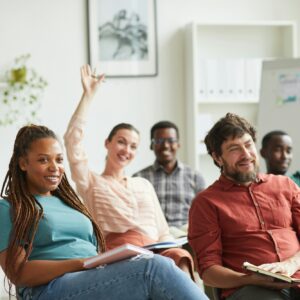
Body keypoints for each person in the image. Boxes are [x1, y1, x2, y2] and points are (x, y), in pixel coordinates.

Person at [0, 123, 208, 300]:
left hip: (91, 276)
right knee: (154, 268)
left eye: (59, 159)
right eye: (44, 160)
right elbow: (18, 273)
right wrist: (79, 264)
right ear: (23, 163)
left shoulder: (70, 203)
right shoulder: (9, 207)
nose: (55, 167)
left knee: (158, 270)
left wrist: (101, 262)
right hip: (50, 288)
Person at [64, 65, 195, 279]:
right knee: (151, 268)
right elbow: (72, 141)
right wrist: (88, 96)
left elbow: (162, 231)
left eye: (133, 146)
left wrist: (170, 243)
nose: (127, 150)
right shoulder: (91, 182)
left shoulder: (143, 184)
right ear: (107, 143)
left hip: (157, 249)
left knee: (180, 257)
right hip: (121, 254)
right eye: (121, 142)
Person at [188, 113, 300, 300]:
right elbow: (208, 271)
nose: (246, 154)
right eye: (234, 149)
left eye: (248, 145)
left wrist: (292, 263)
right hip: (251, 291)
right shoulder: (206, 203)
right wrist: (250, 279)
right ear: (218, 158)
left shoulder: (285, 185)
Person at [133, 120, 205, 234]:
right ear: (151, 145)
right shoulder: (138, 179)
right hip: (152, 239)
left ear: (178, 144)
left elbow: (203, 216)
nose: (165, 145)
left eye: (171, 140)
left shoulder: (195, 177)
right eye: (159, 141)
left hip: (186, 239)